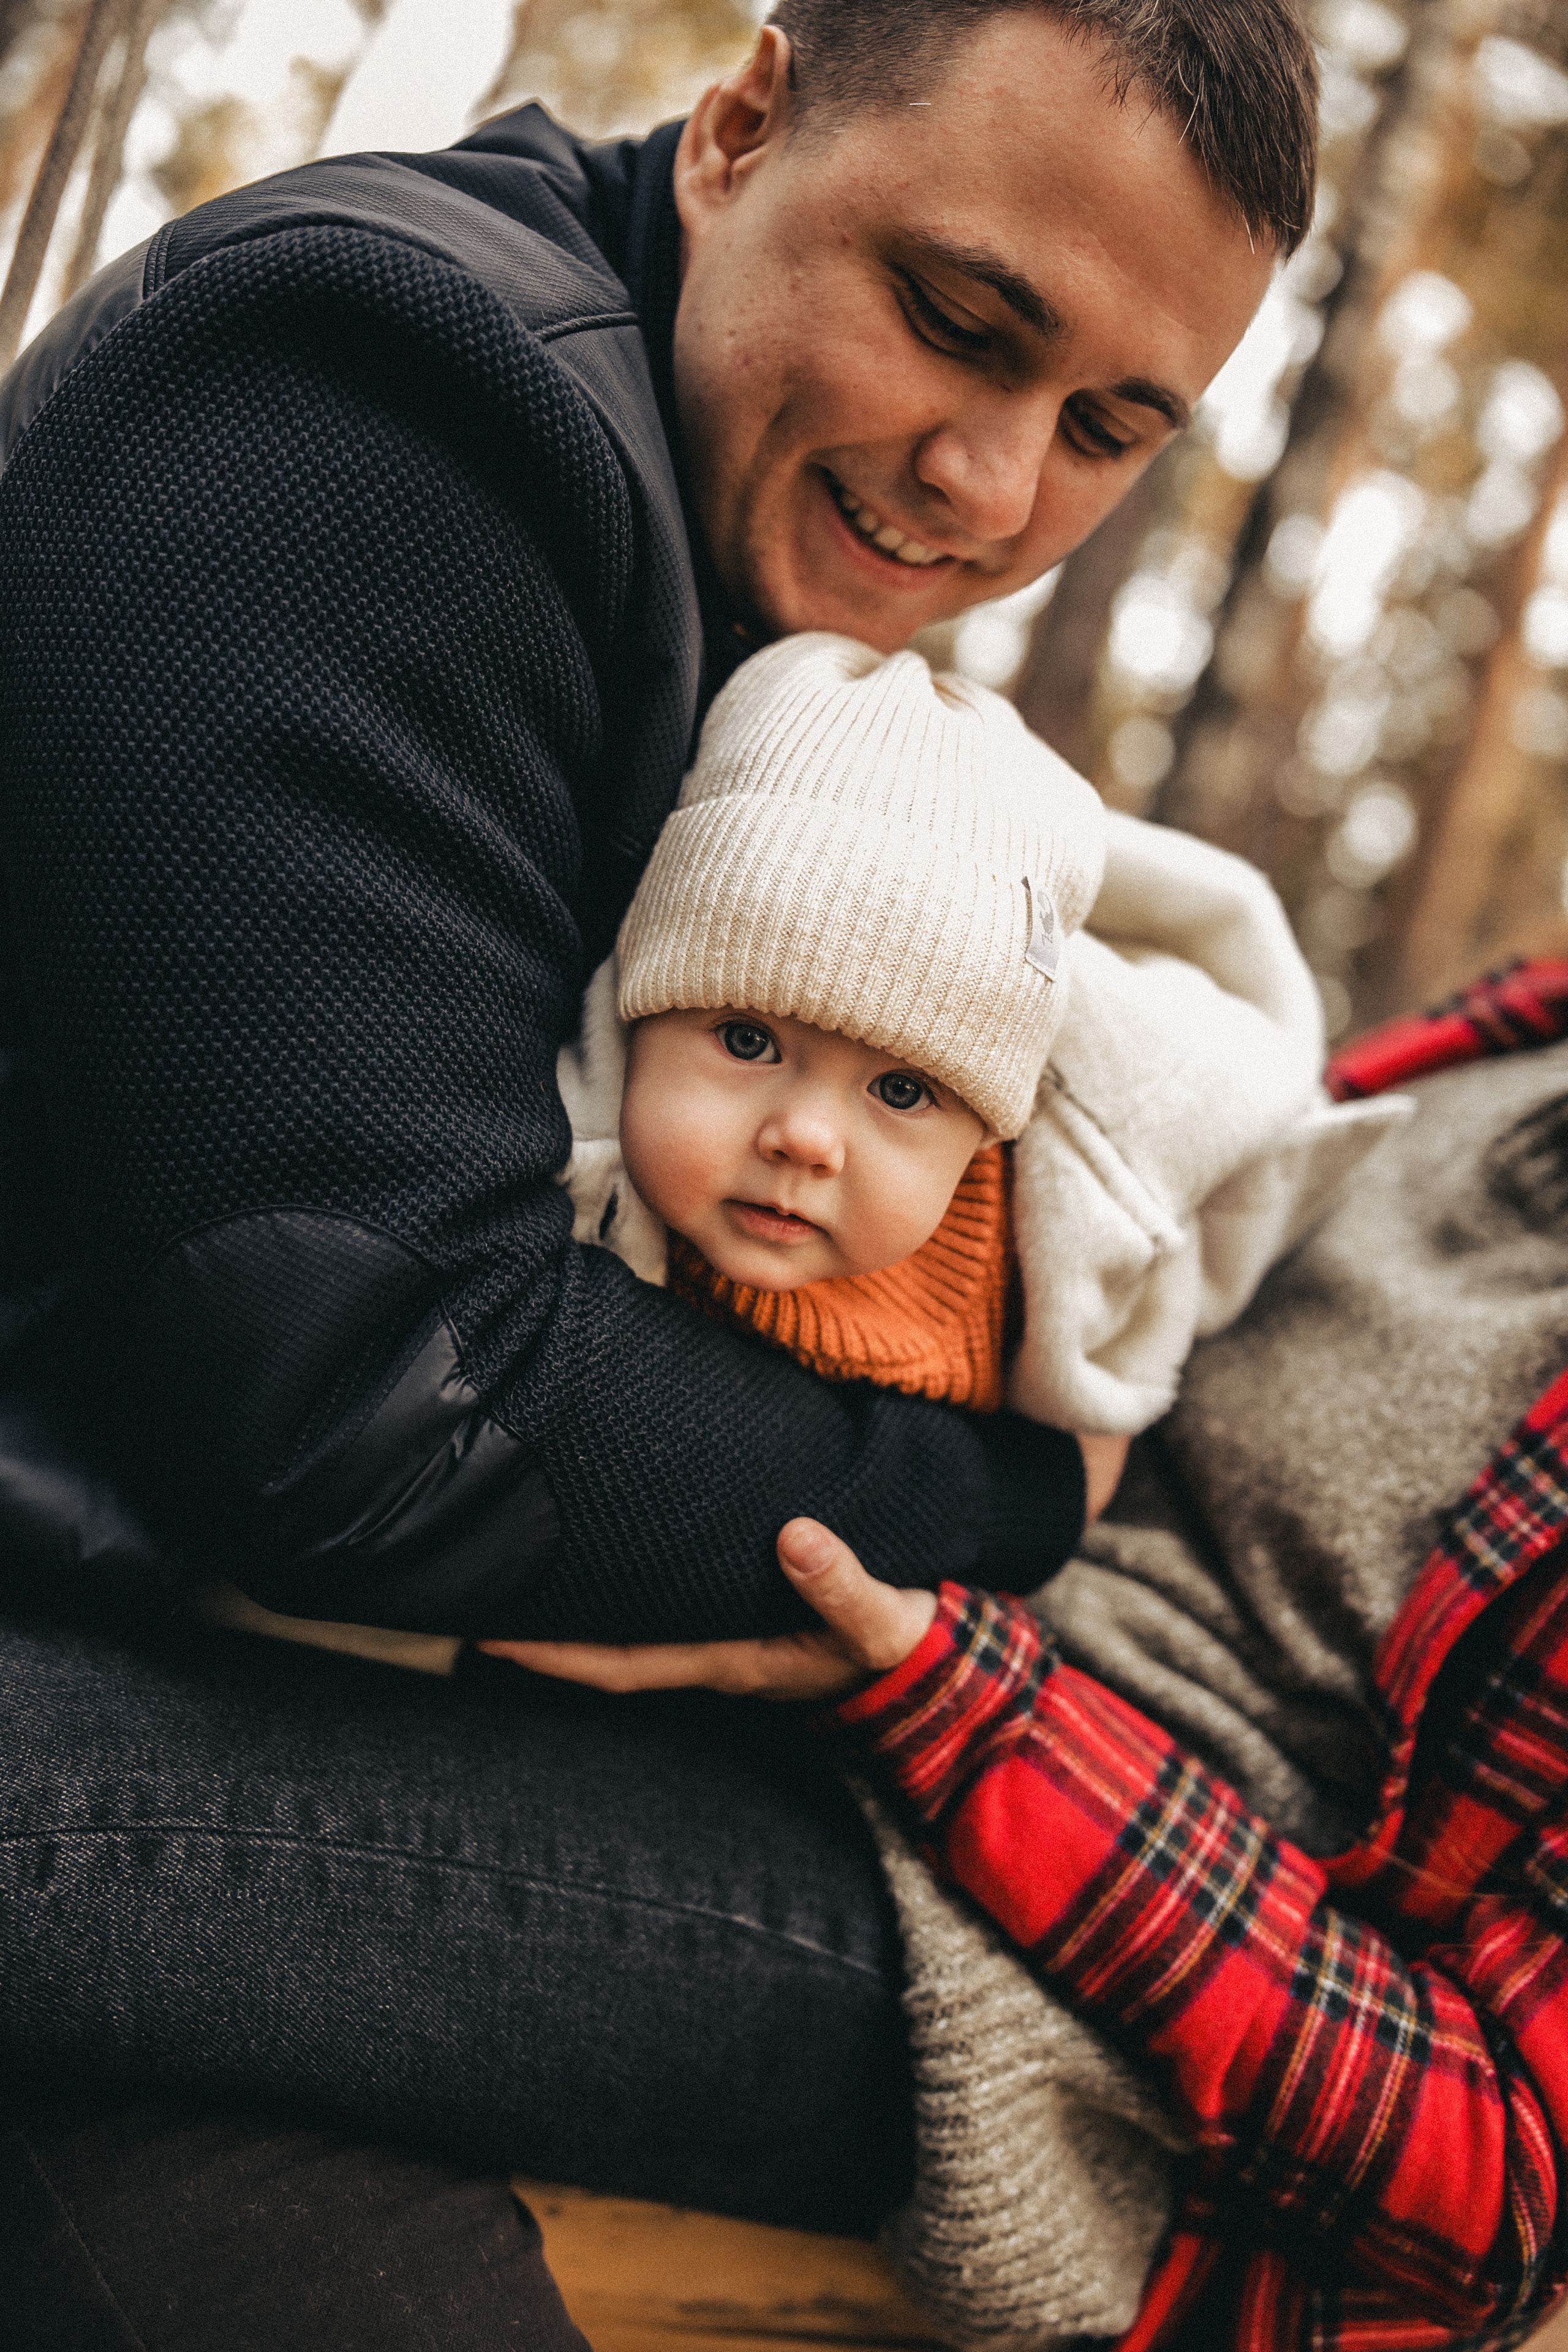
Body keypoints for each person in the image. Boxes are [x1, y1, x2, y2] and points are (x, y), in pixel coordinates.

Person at [0, 2, 1315, 2343]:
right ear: (737, 127)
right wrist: (1017, 1504)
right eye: (958, 318)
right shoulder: (384, 390)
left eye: (1109, 426)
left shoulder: (758, 607)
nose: (996, 487)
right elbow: (395, 1403)